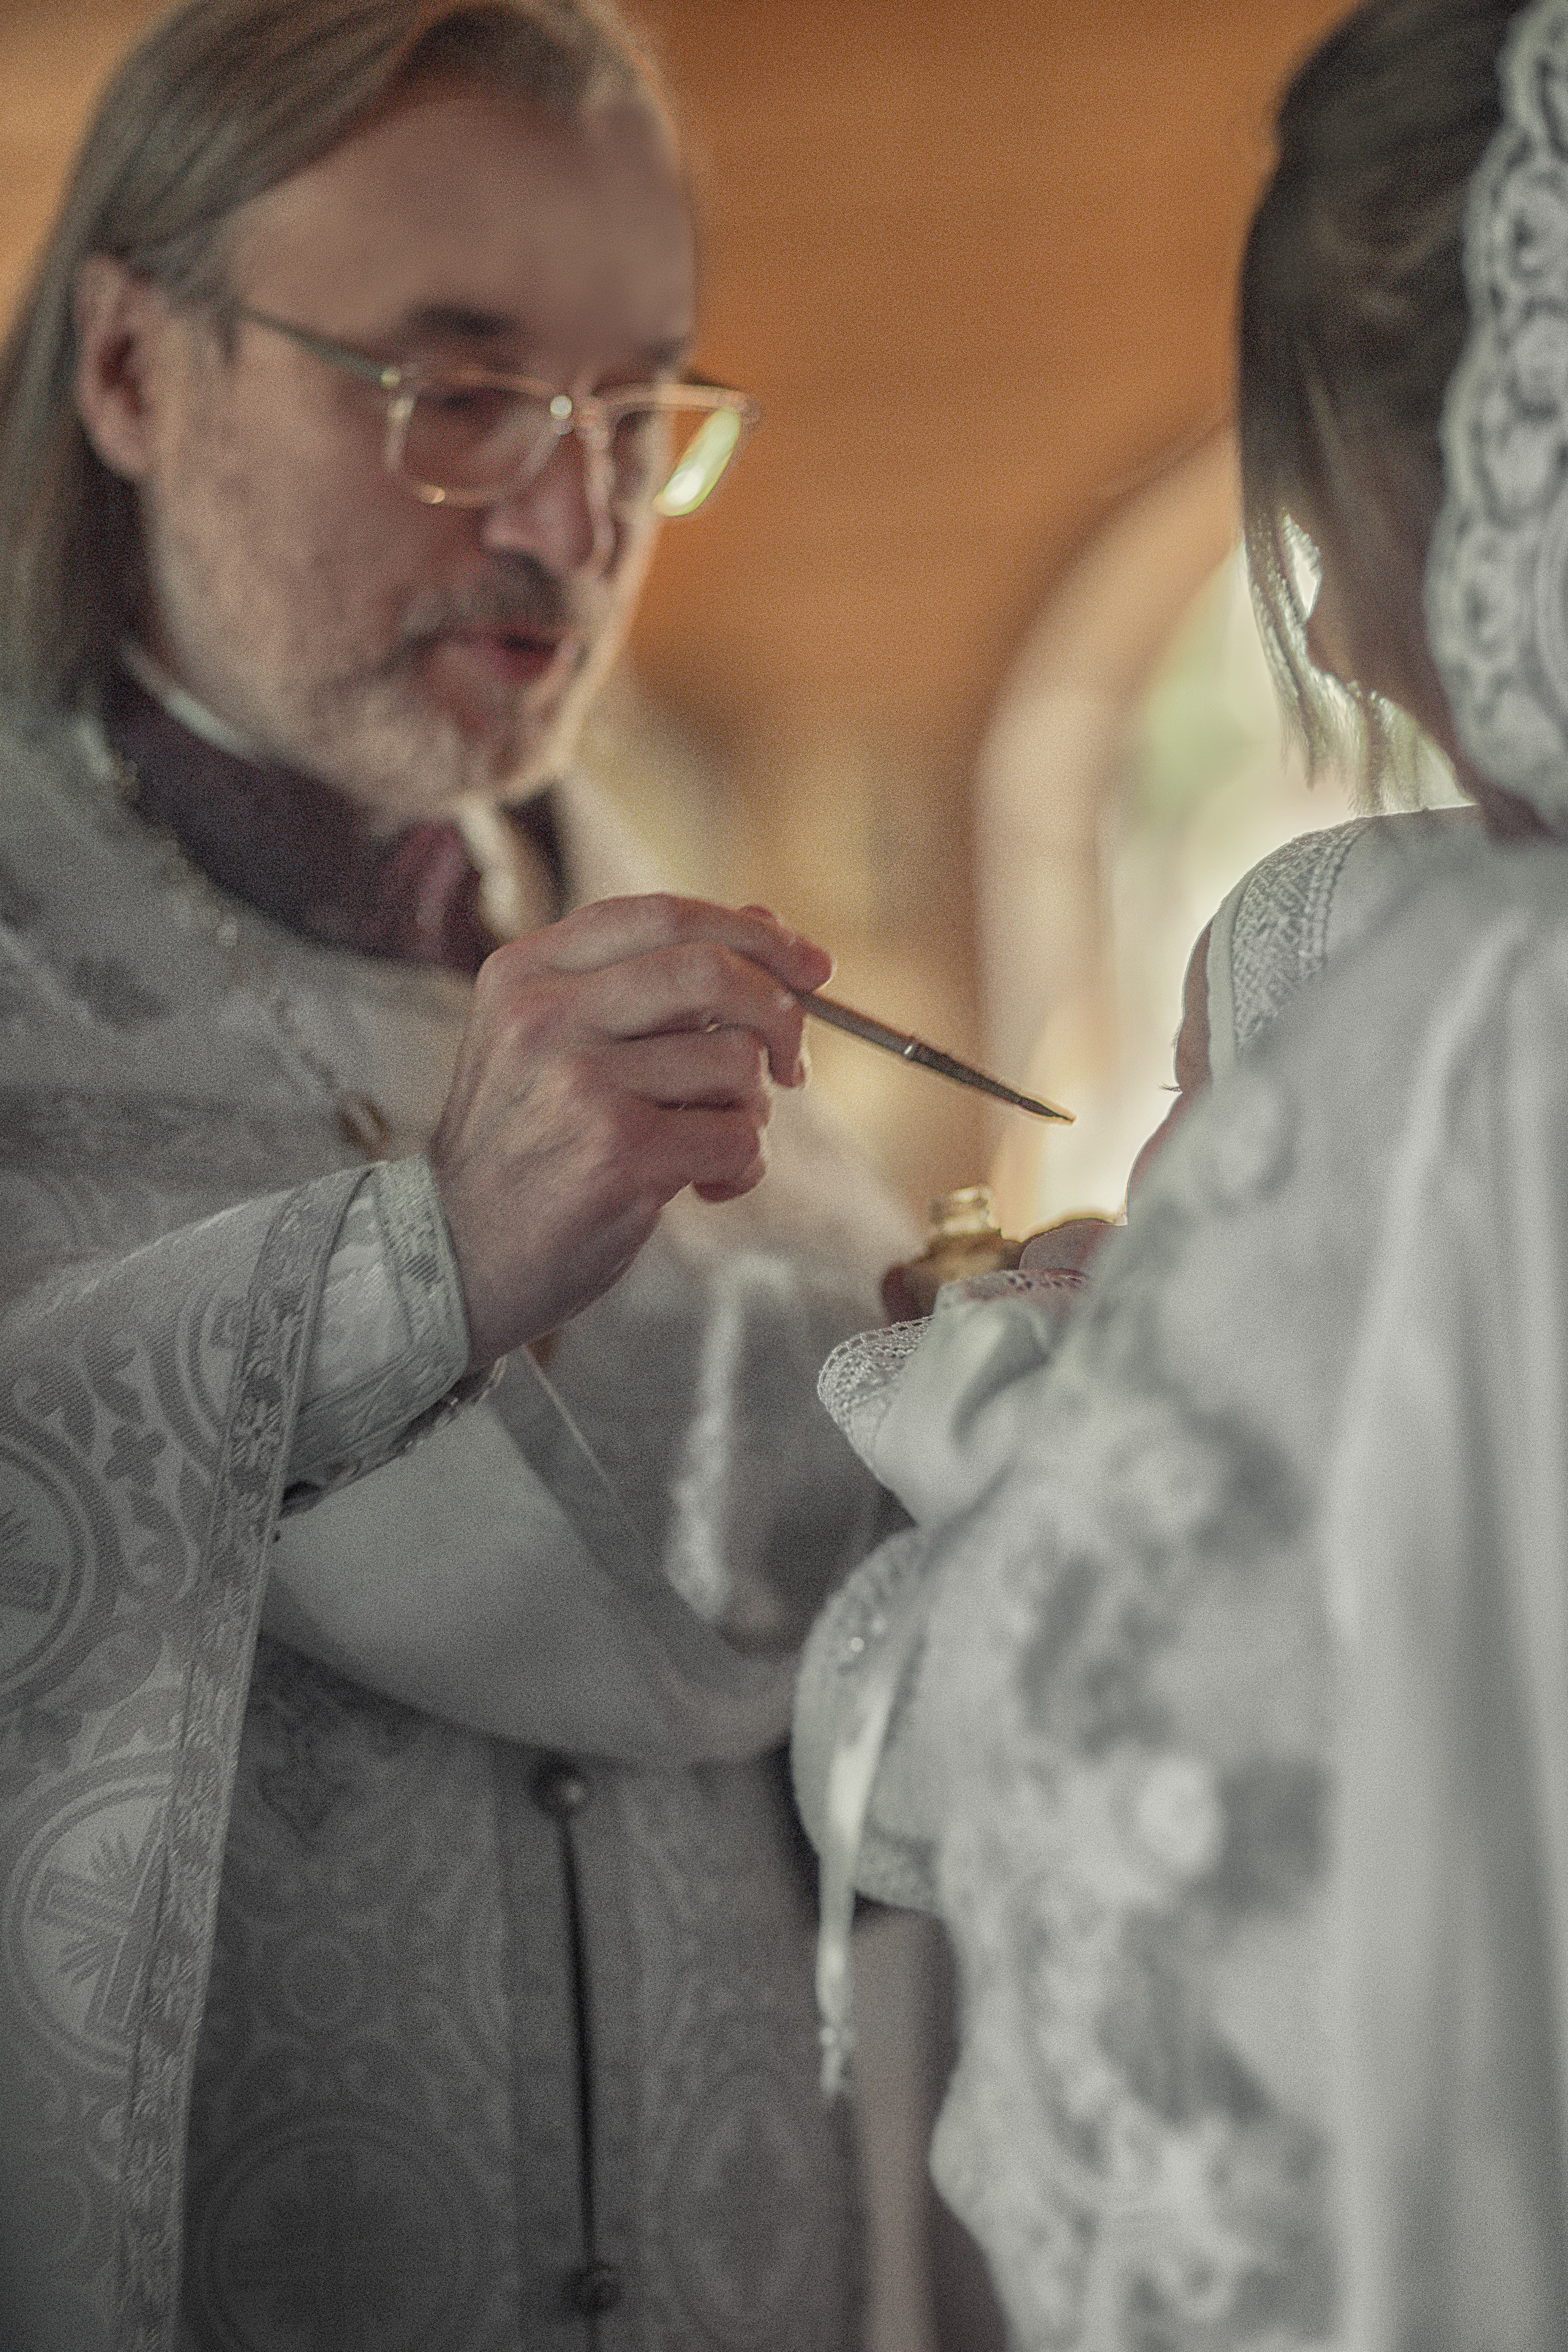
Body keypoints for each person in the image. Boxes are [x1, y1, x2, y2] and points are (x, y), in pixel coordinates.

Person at [0, 5, 921, 2346]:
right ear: (130, 364)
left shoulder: (749, 1043)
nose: (569, 519)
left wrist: (1001, 1431)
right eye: (460, 389)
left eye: (640, 413)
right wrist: (415, 1276)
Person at [793, 0, 1568, 2343]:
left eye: (1318, 503)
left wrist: (1047, 1391)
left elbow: (1081, 1775)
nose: (1327, 621)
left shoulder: (1430, 1018)